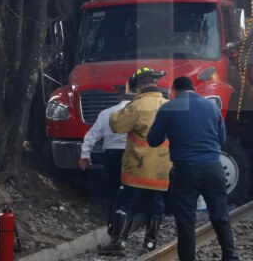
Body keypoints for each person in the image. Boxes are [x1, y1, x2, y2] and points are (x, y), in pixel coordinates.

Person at [148, 76, 240, 261]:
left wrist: (171, 131)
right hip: (213, 168)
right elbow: (221, 139)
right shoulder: (211, 107)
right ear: (193, 89)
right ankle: (230, 256)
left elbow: (153, 140)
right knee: (220, 215)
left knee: (186, 221)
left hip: (185, 170)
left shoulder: (169, 107)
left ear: (174, 91)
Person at [97, 67, 171, 255]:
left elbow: (116, 125)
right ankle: (150, 244)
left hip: (136, 168)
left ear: (138, 85)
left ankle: (118, 242)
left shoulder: (137, 105)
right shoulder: (167, 104)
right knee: (157, 203)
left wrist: (125, 104)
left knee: (125, 203)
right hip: (161, 168)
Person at [78, 92, 129, 230]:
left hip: (111, 154)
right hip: (132, 154)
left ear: (119, 97)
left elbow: (92, 135)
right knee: (129, 190)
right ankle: (126, 225)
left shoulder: (106, 113)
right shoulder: (139, 112)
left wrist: (85, 154)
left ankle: (113, 224)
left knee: (113, 190)